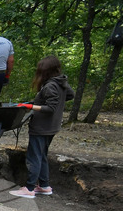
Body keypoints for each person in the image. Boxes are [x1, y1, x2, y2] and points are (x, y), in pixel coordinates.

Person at [9, 55, 75, 198]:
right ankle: (44, 186)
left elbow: (50, 107)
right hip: (52, 126)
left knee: (34, 157)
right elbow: (70, 95)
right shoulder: (61, 83)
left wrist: (32, 107)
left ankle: (29, 188)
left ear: (45, 71)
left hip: (42, 127)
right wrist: (30, 103)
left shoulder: (51, 85)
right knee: (42, 155)